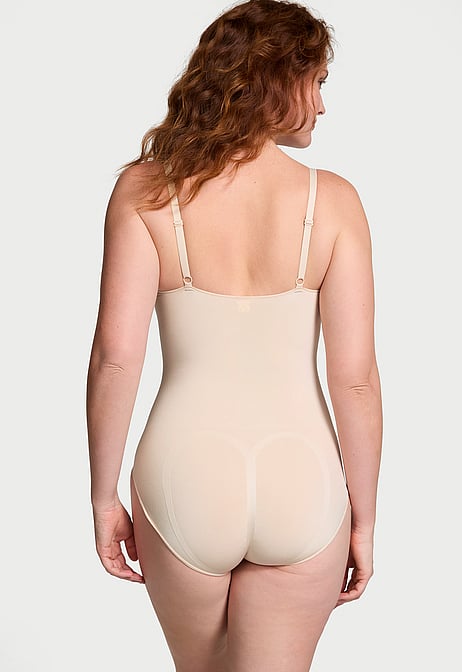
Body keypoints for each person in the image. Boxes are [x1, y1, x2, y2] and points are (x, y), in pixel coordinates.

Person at [86, 0, 383, 670]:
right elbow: (356, 380)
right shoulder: (334, 202)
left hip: (184, 473)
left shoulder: (145, 192)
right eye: (316, 83)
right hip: (303, 479)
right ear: (275, 80)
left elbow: (115, 360)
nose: (322, 105)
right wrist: (363, 519)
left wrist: (104, 498)